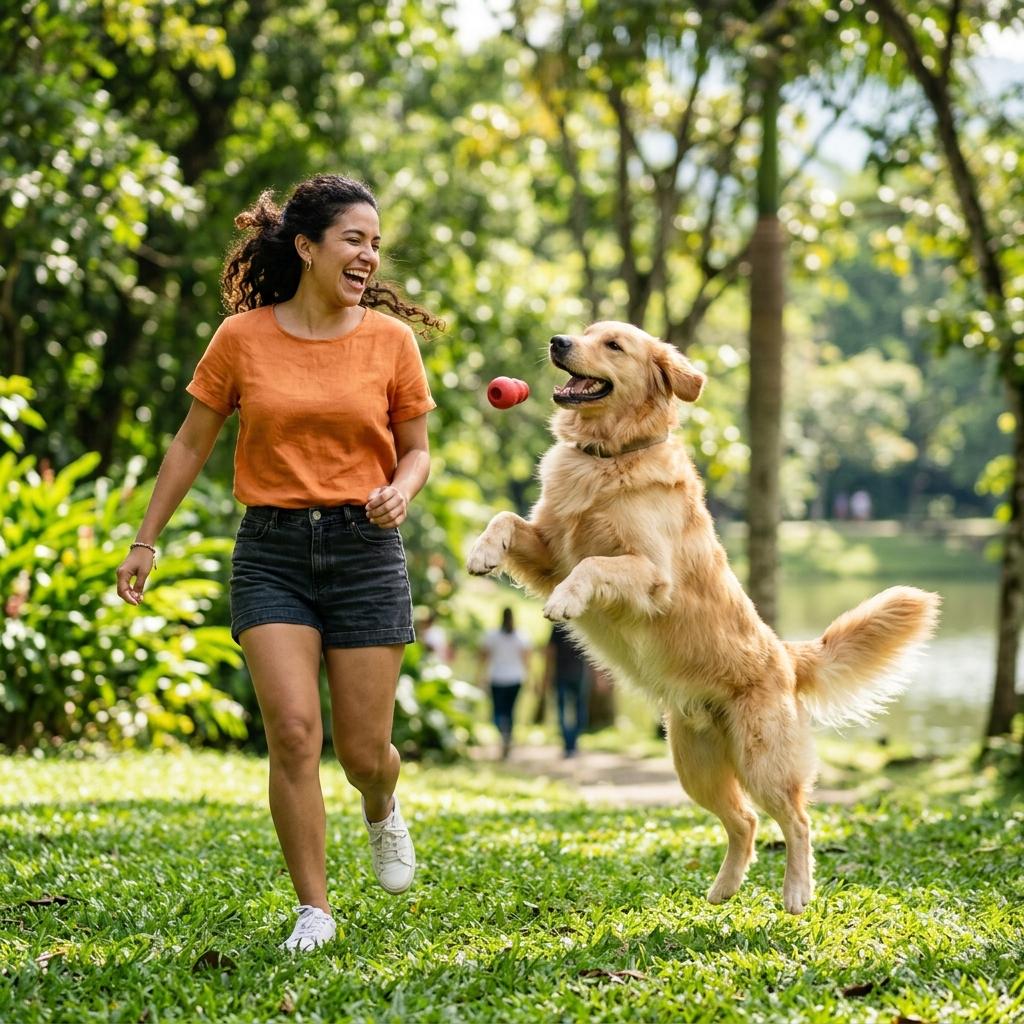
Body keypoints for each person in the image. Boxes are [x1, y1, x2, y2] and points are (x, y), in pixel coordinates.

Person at [114, 174, 442, 953]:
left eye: (375, 244)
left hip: (364, 551)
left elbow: (417, 451)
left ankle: (381, 803)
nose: (368, 256)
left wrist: (400, 491)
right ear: (306, 247)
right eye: (353, 240)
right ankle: (314, 910)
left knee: (364, 753)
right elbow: (191, 442)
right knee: (293, 733)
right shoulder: (242, 338)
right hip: (272, 552)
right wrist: (145, 538)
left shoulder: (390, 343)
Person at [478, 607, 531, 760]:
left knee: (498, 711)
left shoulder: (492, 635)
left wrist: (479, 675)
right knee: (510, 711)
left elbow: (484, 656)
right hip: (515, 678)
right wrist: (530, 678)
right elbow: (527, 660)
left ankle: (504, 734)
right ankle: (507, 736)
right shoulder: (522, 636)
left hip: (497, 678)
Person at [544, 622, 589, 758]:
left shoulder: (581, 624)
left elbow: (591, 651)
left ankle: (570, 744)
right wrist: (547, 675)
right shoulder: (563, 625)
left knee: (572, 711)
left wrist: (546, 675)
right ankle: (571, 744)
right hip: (568, 675)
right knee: (569, 710)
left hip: (573, 675)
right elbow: (550, 651)